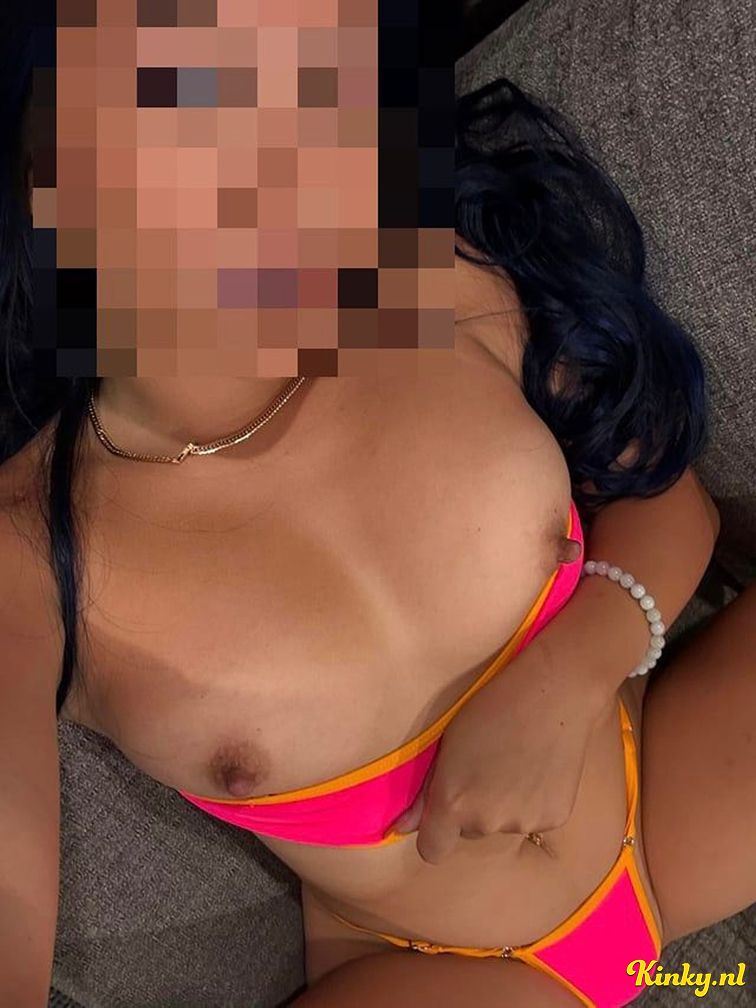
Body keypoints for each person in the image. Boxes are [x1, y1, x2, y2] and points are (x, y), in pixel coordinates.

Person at [1, 12, 754, 1008]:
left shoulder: (434, 275)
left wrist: (570, 675)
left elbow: (670, 502)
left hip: (667, 805)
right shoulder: (26, 546)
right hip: (416, 964)